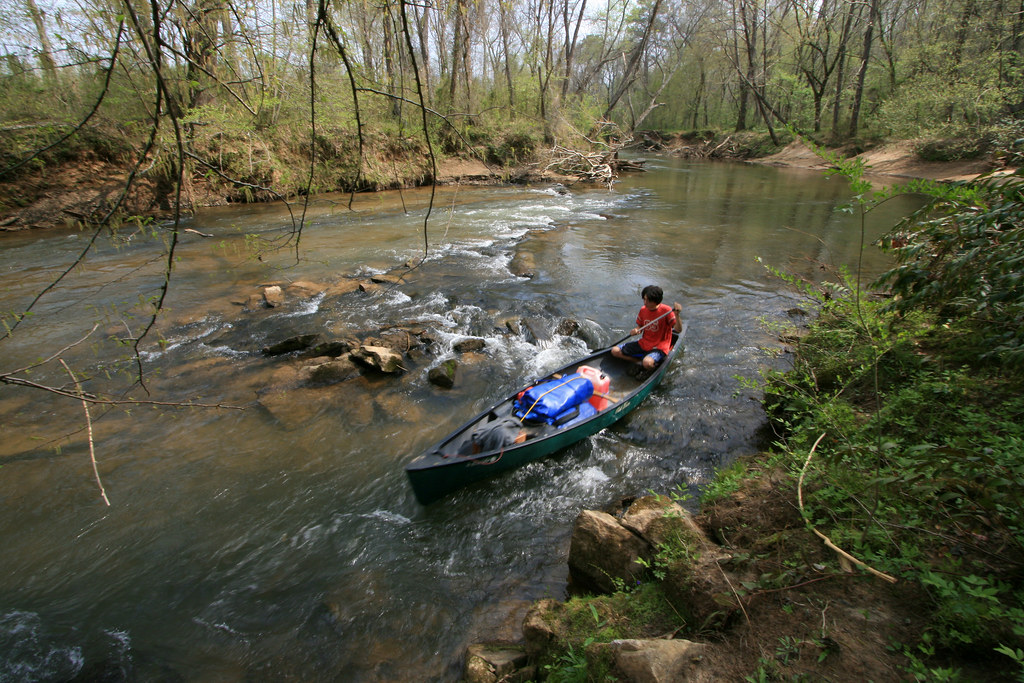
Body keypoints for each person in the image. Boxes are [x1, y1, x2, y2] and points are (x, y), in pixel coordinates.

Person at [611, 285, 683, 377]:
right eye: (644, 299)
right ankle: (638, 363)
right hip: (644, 343)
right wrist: (636, 330)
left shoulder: (666, 311)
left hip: (659, 347)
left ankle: (652, 368)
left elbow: (678, 330)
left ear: (656, 300)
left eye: (648, 300)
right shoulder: (643, 310)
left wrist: (677, 315)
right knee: (615, 350)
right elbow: (640, 326)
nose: (645, 303)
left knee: (647, 363)